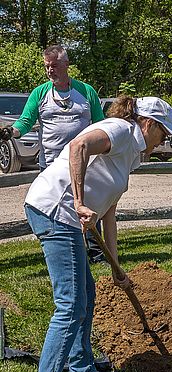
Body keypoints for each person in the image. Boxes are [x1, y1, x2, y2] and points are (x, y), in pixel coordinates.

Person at [24, 95, 172, 372]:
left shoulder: (131, 155)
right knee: (70, 305)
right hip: (58, 211)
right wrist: (80, 201)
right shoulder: (121, 130)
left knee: (87, 294)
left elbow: (110, 210)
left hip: (69, 218)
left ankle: (81, 367)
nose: (164, 140)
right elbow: (77, 146)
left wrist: (115, 263)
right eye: (163, 132)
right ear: (148, 123)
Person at [0, 45, 108, 263]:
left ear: (66, 65)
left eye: (55, 66)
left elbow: (100, 124)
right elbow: (25, 121)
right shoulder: (40, 93)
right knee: (57, 209)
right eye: (47, 66)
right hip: (50, 164)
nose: (50, 70)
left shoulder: (86, 92)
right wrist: (10, 132)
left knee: (89, 207)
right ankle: (66, 251)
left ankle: (97, 254)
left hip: (84, 163)